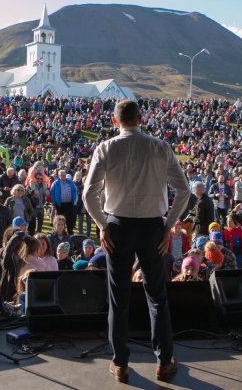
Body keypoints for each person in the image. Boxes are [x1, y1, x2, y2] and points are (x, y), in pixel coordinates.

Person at [83, 100, 189, 383]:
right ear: (140, 118)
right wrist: (168, 226)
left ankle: (120, 364)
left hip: (117, 226)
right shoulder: (159, 146)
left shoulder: (105, 148)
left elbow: (88, 194)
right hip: (153, 227)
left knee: (119, 299)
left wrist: (102, 226)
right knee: (157, 296)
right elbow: (184, 190)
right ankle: (164, 362)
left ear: (115, 121)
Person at [50, 170, 78, 234]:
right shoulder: (55, 183)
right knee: (60, 220)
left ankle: (70, 233)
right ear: (59, 176)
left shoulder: (70, 182)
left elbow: (74, 190)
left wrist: (74, 201)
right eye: (62, 175)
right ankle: (60, 233)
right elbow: (52, 194)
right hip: (59, 205)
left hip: (69, 204)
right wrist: (54, 203)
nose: (64, 176)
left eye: (65, 175)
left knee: (69, 220)